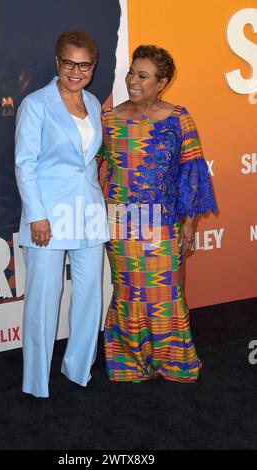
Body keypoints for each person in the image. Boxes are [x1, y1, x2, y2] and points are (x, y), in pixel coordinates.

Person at [98, 45, 216, 383]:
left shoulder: (179, 118)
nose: (132, 81)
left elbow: (192, 174)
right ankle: (129, 363)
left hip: (162, 223)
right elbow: (90, 168)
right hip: (119, 223)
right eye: (132, 72)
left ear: (161, 82)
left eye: (142, 76)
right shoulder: (109, 119)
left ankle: (173, 361)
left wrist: (190, 224)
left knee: (166, 294)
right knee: (128, 292)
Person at [15, 30, 109, 398]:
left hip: (88, 213)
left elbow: (89, 161)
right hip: (48, 218)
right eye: (69, 63)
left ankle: (78, 369)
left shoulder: (94, 103)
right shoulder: (36, 104)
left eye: (84, 65)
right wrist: (36, 216)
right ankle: (37, 381)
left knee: (90, 297)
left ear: (93, 67)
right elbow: (25, 165)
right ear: (57, 62)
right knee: (42, 299)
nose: (76, 71)